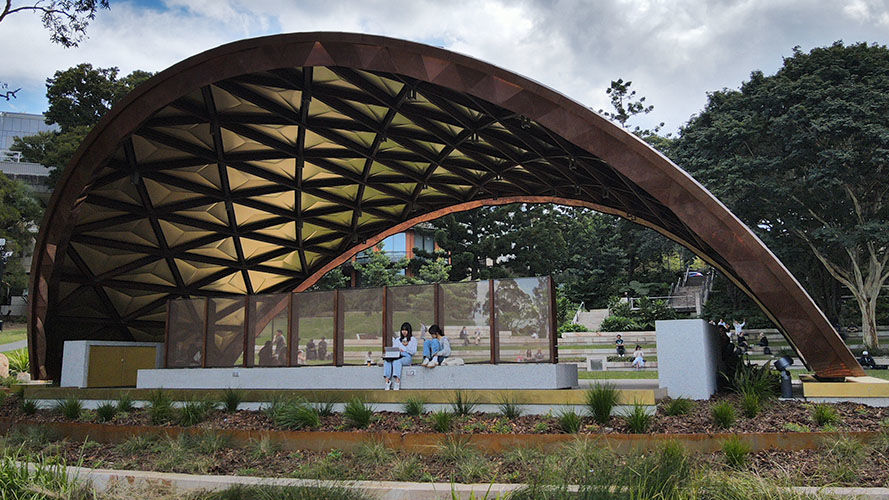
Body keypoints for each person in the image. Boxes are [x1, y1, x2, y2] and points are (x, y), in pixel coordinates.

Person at [384, 322, 417, 390]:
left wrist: (405, 348)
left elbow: (413, 352)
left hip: (407, 357)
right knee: (387, 361)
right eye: (403, 330)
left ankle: (397, 382)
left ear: (409, 331)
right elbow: (394, 349)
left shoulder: (413, 339)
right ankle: (387, 382)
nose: (404, 332)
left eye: (406, 330)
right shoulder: (398, 340)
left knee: (397, 362)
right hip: (397, 355)